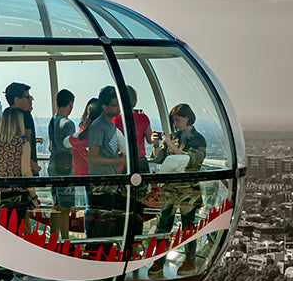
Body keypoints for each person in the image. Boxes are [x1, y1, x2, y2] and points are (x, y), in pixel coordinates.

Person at [83, 85, 141, 248]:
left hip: (109, 183)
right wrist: (118, 161)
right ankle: (96, 256)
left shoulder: (110, 126)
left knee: (106, 225)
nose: (118, 108)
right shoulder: (98, 126)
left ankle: (101, 255)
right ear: (104, 107)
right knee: (101, 226)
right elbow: (93, 157)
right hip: (101, 185)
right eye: (114, 105)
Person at [153, 102, 208, 258]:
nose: (175, 124)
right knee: (163, 226)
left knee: (188, 228)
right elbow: (159, 159)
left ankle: (189, 259)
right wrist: (157, 144)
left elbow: (192, 160)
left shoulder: (198, 139)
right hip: (169, 190)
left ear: (188, 118)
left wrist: (171, 144)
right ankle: (158, 259)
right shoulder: (174, 137)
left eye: (177, 120)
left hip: (188, 190)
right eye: (173, 121)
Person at [0, 107, 37, 226]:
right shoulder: (22, 144)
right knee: (15, 232)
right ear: (19, 123)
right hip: (16, 198)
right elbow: (26, 172)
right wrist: (33, 195)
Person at [47, 89, 77, 241]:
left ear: (57, 103)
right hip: (65, 168)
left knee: (56, 205)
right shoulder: (68, 124)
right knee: (65, 208)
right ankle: (66, 240)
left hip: (53, 167)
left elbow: (51, 146)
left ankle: (53, 238)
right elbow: (72, 148)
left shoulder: (52, 121)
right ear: (71, 104)